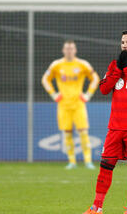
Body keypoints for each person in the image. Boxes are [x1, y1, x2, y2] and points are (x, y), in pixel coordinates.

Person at [76, 30, 127, 214]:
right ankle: (96, 208)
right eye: (122, 42)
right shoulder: (114, 65)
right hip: (116, 126)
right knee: (105, 165)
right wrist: (119, 69)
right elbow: (104, 89)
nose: (124, 46)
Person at [41, 40, 100, 170]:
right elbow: (45, 79)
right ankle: (72, 162)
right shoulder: (56, 65)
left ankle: (88, 161)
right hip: (63, 105)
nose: (69, 51)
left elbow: (95, 78)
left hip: (78, 104)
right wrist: (53, 94)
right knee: (67, 134)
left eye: (71, 48)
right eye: (67, 48)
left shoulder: (82, 64)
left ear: (75, 50)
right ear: (63, 50)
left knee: (83, 132)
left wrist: (88, 94)